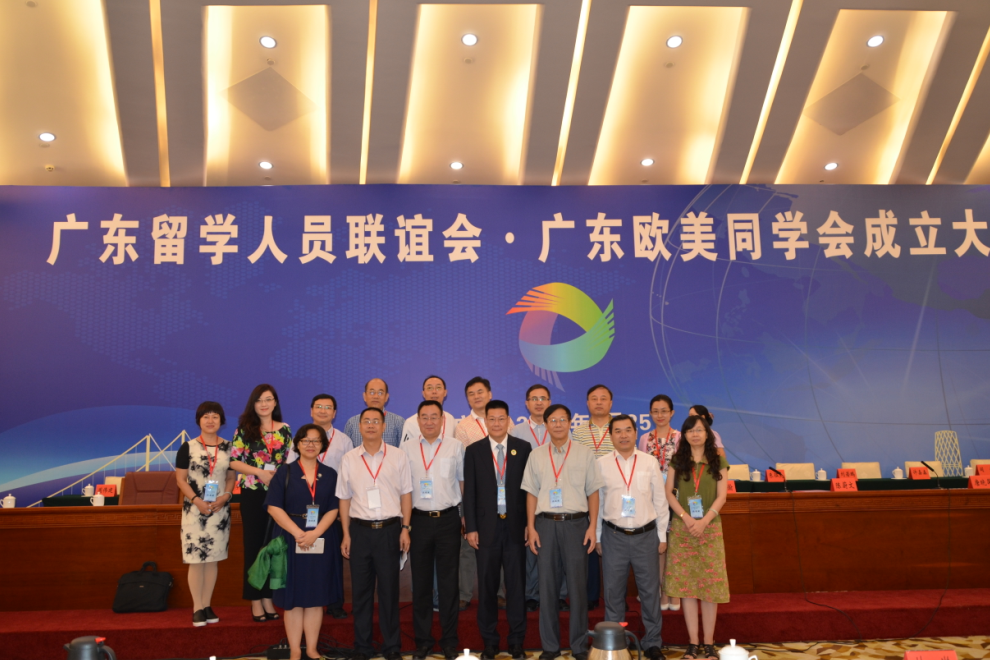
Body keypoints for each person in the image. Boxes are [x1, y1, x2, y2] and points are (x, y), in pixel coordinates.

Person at [523, 403, 603, 660]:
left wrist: (592, 526)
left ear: (570, 423)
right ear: (546, 424)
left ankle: (579, 646)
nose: (558, 424)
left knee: (578, 588)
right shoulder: (536, 455)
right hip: (545, 525)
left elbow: (593, 492)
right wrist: (531, 527)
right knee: (547, 587)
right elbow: (531, 493)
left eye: (562, 420)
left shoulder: (584, 453)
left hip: (576, 525)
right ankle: (550, 646)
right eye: (553, 420)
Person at [337, 407, 413, 660]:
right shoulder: (349, 458)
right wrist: (346, 534)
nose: (371, 425)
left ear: (383, 426)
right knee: (361, 593)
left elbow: (406, 494)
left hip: (390, 531)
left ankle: (392, 647)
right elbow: (344, 499)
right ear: (359, 426)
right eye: (366, 421)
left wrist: (405, 528)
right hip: (359, 532)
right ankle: (363, 647)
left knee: (389, 592)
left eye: (375, 421)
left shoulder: (398, 456)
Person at [596, 415, 669, 660]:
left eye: (628, 430)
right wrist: (598, 537)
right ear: (611, 435)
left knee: (650, 592)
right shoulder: (601, 464)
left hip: (645, 536)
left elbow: (660, 501)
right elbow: (598, 503)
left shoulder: (649, 462)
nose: (623, 435)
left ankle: (652, 643)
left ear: (636, 433)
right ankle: (616, 643)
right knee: (613, 593)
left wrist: (661, 536)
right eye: (618, 431)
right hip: (613, 535)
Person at [463, 400, 531, 660]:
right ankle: (490, 642)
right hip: (486, 529)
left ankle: (516, 641)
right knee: (487, 588)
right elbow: (470, 492)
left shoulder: (522, 448)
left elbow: (529, 490)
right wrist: (471, 527)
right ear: (485, 421)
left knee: (516, 587)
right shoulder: (474, 450)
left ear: (508, 420)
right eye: (491, 419)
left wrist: (530, 524)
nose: (496, 423)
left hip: (516, 528)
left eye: (501, 418)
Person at [266, 425, 340, 660]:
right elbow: (273, 507)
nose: (311, 445)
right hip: (291, 537)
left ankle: (313, 649)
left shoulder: (330, 474)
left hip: (321, 538)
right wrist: (299, 533)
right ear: (297, 444)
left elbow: (334, 508)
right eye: (306, 440)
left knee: (316, 598)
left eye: (316, 441)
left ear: (323, 445)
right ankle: (296, 650)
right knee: (293, 598)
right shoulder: (285, 472)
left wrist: (315, 533)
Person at [401, 400, 465, 660]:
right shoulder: (405, 449)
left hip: (449, 519)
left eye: (434, 417)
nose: (429, 422)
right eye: (424, 417)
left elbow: (462, 483)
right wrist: (405, 525)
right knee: (422, 584)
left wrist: (463, 516)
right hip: (419, 521)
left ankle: (449, 641)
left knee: (449, 584)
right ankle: (423, 641)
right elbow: (403, 489)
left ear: (442, 420)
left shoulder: (455, 446)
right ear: (417, 421)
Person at [664, 415, 730, 660]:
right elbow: (668, 493)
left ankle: (709, 644)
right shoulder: (677, 460)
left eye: (700, 430)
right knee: (688, 587)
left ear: (707, 433)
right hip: (683, 528)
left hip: (710, 528)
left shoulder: (718, 460)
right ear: (684, 435)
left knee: (710, 587)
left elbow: (722, 496)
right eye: (690, 430)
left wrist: (703, 521)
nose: (695, 434)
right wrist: (686, 518)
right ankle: (693, 644)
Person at [285, 394, 352, 619]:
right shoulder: (301, 437)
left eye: (328, 407)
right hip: (301, 510)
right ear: (311, 410)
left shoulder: (343, 440)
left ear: (335, 413)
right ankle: (304, 599)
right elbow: (290, 469)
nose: (323, 410)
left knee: (332, 558)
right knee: (304, 561)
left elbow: (348, 475)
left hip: (332, 507)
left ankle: (334, 602)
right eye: (319, 406)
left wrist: (343, 509)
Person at [230, 384, 292, 622]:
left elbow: (289, 462)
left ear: (275, 402)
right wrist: (260, 472)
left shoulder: (285, 430)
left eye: (268, 399)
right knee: (254, 546)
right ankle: (255, 599)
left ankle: (268, 597)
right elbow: (234, 462)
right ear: (253, 404)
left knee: (273, 546)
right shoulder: (244, 430)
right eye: (259, 400)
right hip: (253, 494)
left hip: (278, 495)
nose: (264, 404)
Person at [454, 376, 513, 610]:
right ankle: (464, 594)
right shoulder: (462, 427)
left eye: (480, 392)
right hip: (475, 496)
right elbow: (462, 470)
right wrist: (464, 508)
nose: (476, 396)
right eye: (471, 393)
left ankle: (499, 593)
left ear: (490, 394)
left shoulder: (506, 421)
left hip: (503, 498)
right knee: (468, 548)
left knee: (499, 546)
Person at [176, 401, 235, 627]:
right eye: (206, 417)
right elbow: (180, 480)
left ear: (221, 421)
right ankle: (197, 607)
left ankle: (208, 604)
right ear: (198, 420)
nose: (210, 421)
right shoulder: (188, 447)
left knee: (213, 559)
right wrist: (197, 501)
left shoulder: (229, 447)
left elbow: (231, 477)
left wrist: (226, 496)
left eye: (215, 417)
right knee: (196, 560)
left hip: (219, 509)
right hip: (194, 510)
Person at [570, 384, 616, 610]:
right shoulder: (578, 432)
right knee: (588, 545)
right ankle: (590, 596)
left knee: (614, 547)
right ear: (587, 403)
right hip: (587, 495)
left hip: (614, 494)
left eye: (603, 398)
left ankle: (614, 598)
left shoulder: (619, 428)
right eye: (594, 398)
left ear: (611, 403)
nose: (599, 402)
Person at [509, 384, 553, 612]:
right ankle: (531, 594)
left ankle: (556, 594)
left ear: (549, 402)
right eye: (534, 399)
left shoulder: (558, 427)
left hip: (554, 497)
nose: (538, 402)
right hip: (526, 495)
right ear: (526, 403)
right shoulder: (516, 432)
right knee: (530, 547)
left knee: (554, 549)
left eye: (543, 398)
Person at [638, 394, 680, 611]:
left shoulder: (680, 437)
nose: (660, 415)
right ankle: (659, 590)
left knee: (673, 545)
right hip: (652, 498)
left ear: (672, 413)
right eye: (655, 411)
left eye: (664, 411)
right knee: (657, 544)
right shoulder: (645, 438)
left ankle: (673, 591)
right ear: (650, 413)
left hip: (675, 497)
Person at [344, 379, 405, 448]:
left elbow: (404, 450)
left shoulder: (398, 422)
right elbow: (348, 451)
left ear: (386, 397)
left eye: (380, 393)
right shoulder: (352, 423)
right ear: (364, 396)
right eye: (372, 392)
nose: (376, 396)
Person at [402, 376, 458, 443]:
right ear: (423, 393)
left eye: (438, 388)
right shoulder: (410, 422)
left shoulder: (450, 419)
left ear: (445, 392)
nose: (434, 391)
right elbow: (405, 448)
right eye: (429, 388)